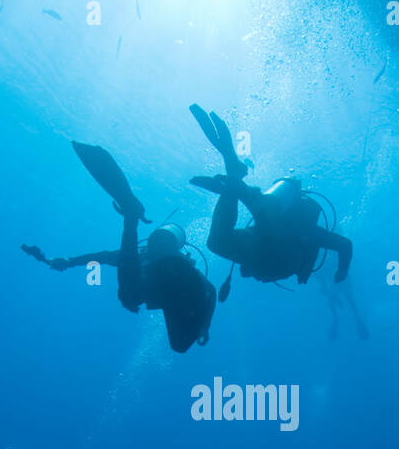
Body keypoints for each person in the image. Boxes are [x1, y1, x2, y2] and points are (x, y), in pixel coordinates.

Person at [23, 143, 216, 354]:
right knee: (173, 338)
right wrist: (204, 322)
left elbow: (104, 257)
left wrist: (70, 262)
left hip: (174, 276)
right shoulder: (161, 263)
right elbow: (210, 290)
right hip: (178, 275)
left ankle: (131, 218)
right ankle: (131, 218)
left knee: (134, 298)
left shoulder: (143, 257)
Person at [188, 105, 352, 295]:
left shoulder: (305, 230)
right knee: (256, 233)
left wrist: (341, 268)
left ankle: (235, 183)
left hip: (260, 243)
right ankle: (237, 187)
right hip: (265, 245)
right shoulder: (308, 231)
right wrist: (342, 269)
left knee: (217, 242)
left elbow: (345, 245)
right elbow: (345, 245)